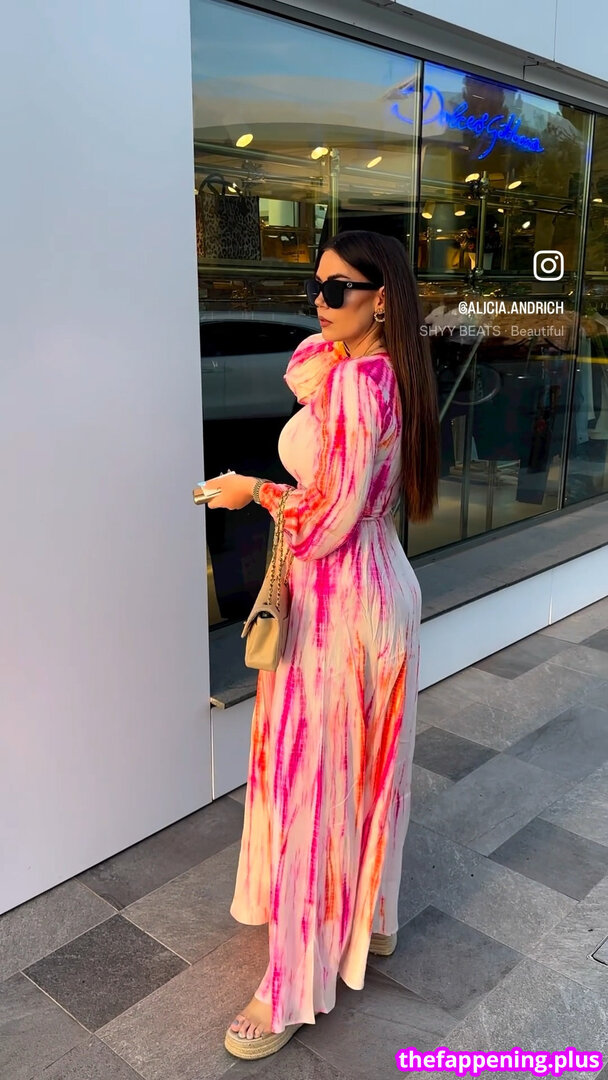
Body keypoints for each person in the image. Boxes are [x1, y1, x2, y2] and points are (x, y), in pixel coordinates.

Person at [204, 229, 440, 1061]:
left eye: (338, 289)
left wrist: (254, 490)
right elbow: (347, 478)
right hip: (373, 595)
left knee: (316, 789)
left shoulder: (361, 386)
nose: (319, 301)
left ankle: (290, 988)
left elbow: (330, 518)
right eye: (317, 285)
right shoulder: (374, 371)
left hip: (343, 608)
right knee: (368, 774)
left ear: (383, 299)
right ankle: (369, 920)